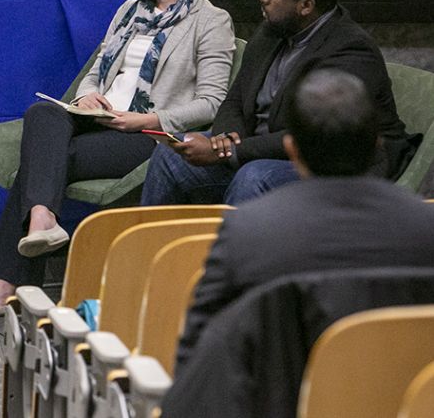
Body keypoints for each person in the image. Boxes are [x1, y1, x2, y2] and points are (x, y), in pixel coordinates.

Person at [0, 0, 236, 319]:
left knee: (43, 163)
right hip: (99, 120)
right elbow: (96, 71)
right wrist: (88, 97)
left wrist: (145, 118)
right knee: (43, 113)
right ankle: (41, 220)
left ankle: (8, 283)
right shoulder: (128, 11)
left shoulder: (210, 22)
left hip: (145, 134)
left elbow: (211, 102)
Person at [173, 68, 434, 372]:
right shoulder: (426, 227)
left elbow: (199, 365)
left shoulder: (246, 231)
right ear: (377, 143)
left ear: (291, 150)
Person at [139, 0, 415, 206]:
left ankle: (234, 257)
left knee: (255, 176)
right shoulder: (273, 30)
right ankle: (154, 255)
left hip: (337, 166)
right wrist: (225, 136)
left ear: (305, 6)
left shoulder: (349, 49)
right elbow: (236, 98)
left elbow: (317, 134)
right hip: (260, 149)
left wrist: (230, 151)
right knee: (170, 156)